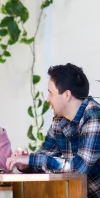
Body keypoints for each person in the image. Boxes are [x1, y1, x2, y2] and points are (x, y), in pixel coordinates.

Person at [6, 63, 100, 198]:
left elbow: (79, 169)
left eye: (50, 93)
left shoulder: (94, 117)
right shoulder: (59, 120)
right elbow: (43, 157)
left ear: (66, 95)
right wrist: (24, 164)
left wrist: (32, 159)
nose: (48, 99)